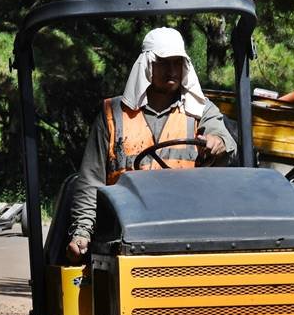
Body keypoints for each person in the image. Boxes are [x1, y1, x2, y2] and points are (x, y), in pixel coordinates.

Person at [65, 27, 236, 263]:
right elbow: (91, 179)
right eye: (164, 63)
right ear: (146, 65)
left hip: (185, 230)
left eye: (178, 63)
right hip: (122, 231)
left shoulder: (200, 109)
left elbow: (220, 134)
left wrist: (219, 141)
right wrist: (82, 232)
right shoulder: (112, 114)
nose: (172, 70)